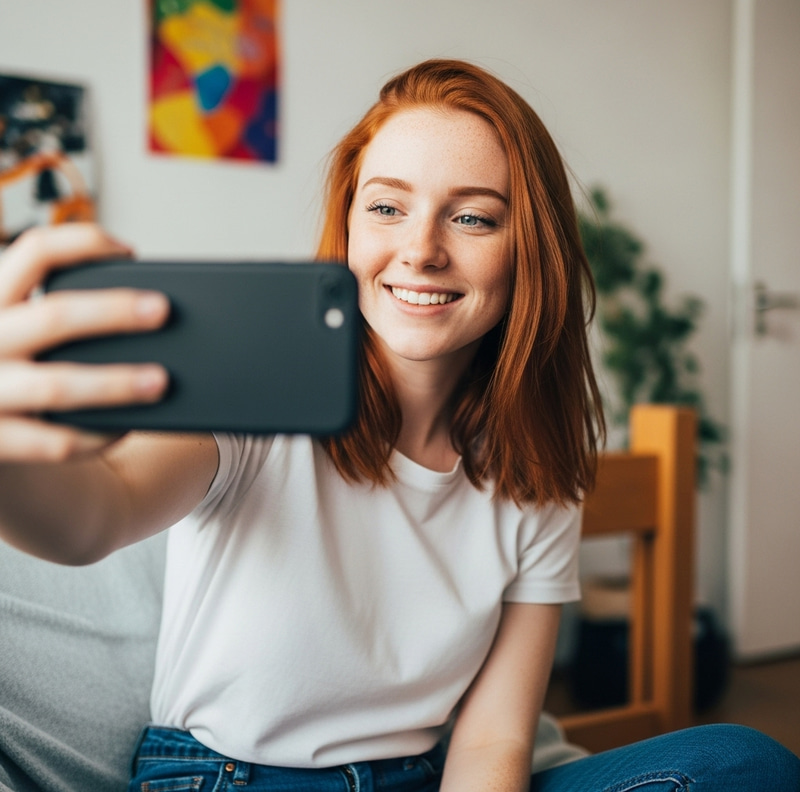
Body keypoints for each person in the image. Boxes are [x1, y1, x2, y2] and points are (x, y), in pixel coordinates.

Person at [0, 58, 797, 792]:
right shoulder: (260, 397)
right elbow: (90, 517)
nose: (420, 250)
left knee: (742, 763)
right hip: (230, 778)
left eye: (474, 219)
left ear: (530, 252)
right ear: (348, 228)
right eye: (386, 207)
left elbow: (490, 743)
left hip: (424, 775)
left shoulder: (540, 470)